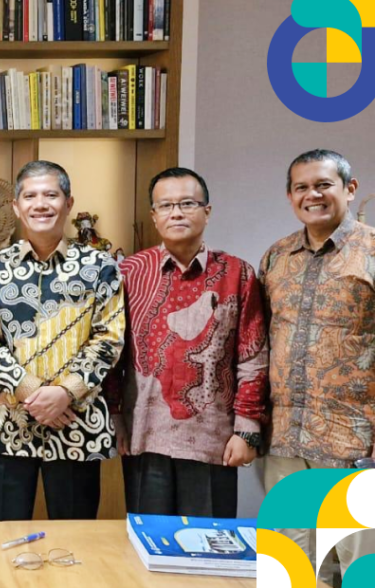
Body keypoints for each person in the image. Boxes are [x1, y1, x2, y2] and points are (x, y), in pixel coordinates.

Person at [102, 167, 267, 518]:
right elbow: (112, 354)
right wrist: (114, 417)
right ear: (154, 216)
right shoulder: (129, 272)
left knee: (208, 549)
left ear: (207, 211)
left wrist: (247, 430)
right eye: (166, 206)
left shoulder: (238, 274)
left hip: (213, 440)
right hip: (144, 435)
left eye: (188, 203)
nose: (176, 212)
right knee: (149, 547)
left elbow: (252, 357)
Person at [0, 160, 124, 521]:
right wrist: (32, 392)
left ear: (68, 204)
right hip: (8, 424)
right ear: (17, 206)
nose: (41, 204)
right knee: (2, 536)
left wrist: (63, 394)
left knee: (75, 542)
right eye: (31, 196)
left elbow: (109, 339)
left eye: (51, 195)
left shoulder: (101, 266)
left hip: (76, 422)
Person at [260, 149, 375, 583]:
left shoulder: (371, 250)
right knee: (291, 572)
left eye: (323, 184)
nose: (313, 195)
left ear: (350, 188)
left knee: (359, 571)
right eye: (302, 187)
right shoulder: (277, 257)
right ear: (290, 196)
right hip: (286, 444)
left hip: (354, 445)